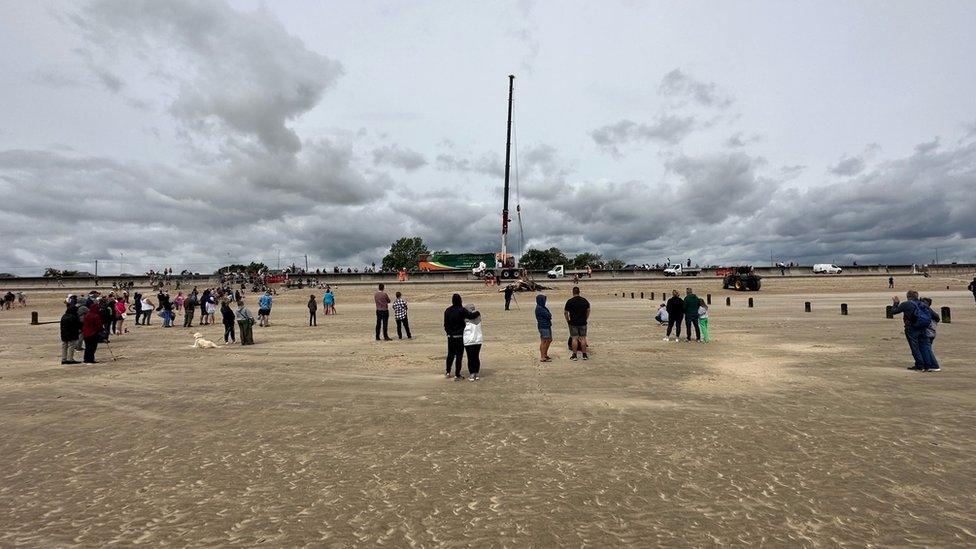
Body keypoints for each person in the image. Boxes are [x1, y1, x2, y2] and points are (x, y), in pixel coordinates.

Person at [890, 290, 938, 372]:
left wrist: (896, 303)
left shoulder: (906, 304)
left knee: (915, 347)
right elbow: (936, 316)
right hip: (923, 327)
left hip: (911, 328)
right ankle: (929, 365)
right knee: (925, 347)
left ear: (908, 296)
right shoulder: (922, 304)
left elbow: (893, 311)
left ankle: (920, 365)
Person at [444, 293, 480, 380]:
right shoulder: (461, 310)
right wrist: (478, 312)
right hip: (459, 336)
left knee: (450, 354)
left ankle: (448, 372)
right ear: (460, 300)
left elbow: (445, 324)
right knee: (459, 356)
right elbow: (471, 316)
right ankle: (457, 374)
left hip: (450, 336)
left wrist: (448, 332)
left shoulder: (447, 310)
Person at [564, 286, 590, 361]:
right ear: (579, 292)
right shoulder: (584, 300)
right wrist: (586, 318)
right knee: (583, 338)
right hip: (582, 322)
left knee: (574, 338)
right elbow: (588, 310)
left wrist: (568, 320)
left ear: (573, 292)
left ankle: (574, 355)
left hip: (573, 322)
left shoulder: (570, 301)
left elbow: (565, 312)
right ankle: (584, 354)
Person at [463, 304, 483, 381]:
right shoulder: (478, 315)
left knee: (470, 357)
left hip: (469, 340)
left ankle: (472, 374)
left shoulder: (466, 318)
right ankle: (476, 373)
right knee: (476, 357)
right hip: (478, 339)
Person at [920, 297, 941, 371]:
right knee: (927, 349)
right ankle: (927, 363)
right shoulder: (932, 312)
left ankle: (934, 365)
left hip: (928, 333)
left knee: (927, 349)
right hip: (932, 333)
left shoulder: (927, 312)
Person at [535, 294, 553, 362]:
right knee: (544, 341)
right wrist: (549, 315)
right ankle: (543, 356)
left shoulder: (542, 307)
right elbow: (548, 315)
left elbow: (548, 315)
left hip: (546, 325)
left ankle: (545, 354)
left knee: (549, 340)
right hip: (543, 326)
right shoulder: (540, 308)